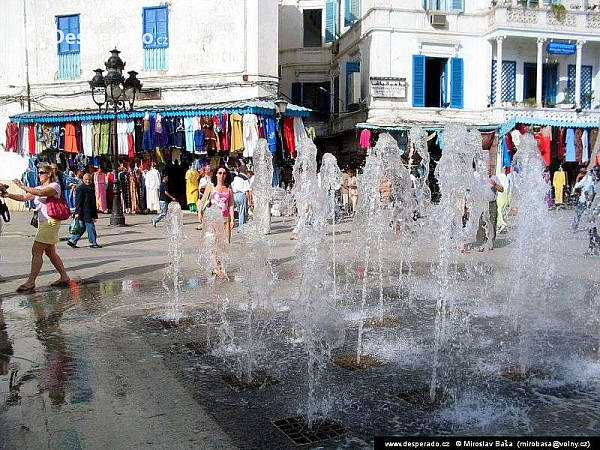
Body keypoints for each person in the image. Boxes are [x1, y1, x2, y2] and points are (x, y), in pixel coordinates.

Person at [2, 163, 71, 292]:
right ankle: (64, 276)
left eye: (41, 173)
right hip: (43, 222)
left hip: (51, 222)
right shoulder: (38, 187)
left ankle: (31, 282)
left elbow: (40, 192)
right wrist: (8, 195)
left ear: (49, 173)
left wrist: (22, 185)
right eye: (38, 173)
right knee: (50, 252)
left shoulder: (54, 186)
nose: (38, 175)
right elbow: (24, 197)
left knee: (36, 251)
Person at [197, 166, 234, 278]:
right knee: (214, 243)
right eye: (220, 173)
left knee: (225, 244)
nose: (222, 175)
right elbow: (203, 200)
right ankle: (215, 268)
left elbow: (231, 204)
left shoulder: (229, 188)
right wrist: (199, 213)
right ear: (216, 174)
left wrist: (232, 219)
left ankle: (221, 266)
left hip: (225, 221)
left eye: (224, 173)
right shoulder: (211, 186)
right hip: (214, 220)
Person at [67, 173, 102, 249]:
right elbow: (78, 201)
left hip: (89, 210)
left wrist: (94, 214)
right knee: (91, 227)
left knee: (82, 227)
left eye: (89, 179)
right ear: (83, 179)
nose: (88, 181)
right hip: (84, 211)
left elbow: (93, 201)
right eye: (86, 179)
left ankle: (72, 240)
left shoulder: (91, 187)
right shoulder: (80, 188)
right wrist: (77, 212)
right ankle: (92, 242)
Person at [476, 167, 504, 251]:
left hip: (492, 203)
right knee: (482, 223)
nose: (487, 170)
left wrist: (495, 184)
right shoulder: (480, 178)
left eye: (489, 168)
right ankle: (481, 243)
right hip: (483, 203)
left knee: (492, 223)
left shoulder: (495, 178)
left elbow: (502, 189)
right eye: (486, 168)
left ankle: (490, 243)